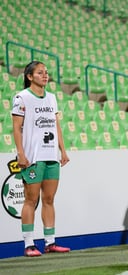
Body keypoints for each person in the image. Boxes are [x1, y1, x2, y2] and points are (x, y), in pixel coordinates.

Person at [11, 61, 70, 257]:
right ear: (29, 76)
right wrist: (20, 153)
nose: (45, 75)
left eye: (46, 72)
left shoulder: (52, 98)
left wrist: (63, 150)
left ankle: (50, 242)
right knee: (31, 199)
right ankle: (29, 244)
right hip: (33, 157)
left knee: (49, 199)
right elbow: (17, 128)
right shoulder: (21, 98)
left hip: (51, 155)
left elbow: (56, 126)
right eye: (40, 72)